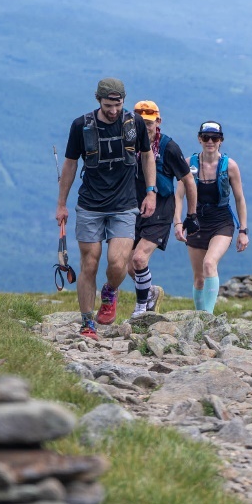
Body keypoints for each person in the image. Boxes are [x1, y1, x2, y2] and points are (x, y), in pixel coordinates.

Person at [56, 78, 156, 339]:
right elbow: (69, 164)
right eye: (108, 104)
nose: (113, 110)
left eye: (118, 104)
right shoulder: (81, 126)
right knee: (89, 263)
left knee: (117, 261)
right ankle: (88, 323)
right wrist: (61, 204)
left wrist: (150, 192)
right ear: (98, 100)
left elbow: (147, 156)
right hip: (90, 204)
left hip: (124, 204)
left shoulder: (134, 123)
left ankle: (110, 290)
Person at [127, 100, 198, 318]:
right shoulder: (128, 144)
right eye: (140, 122)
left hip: (161, 209)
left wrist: (190, 215)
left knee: (139, 259)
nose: (145, 127)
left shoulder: (169, 147)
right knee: (128, 265)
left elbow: (188, 181)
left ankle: (140, 310)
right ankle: (150, 292)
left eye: (149, 123)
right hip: (132, 208)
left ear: (158, 122)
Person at [183, 120, 248, 313]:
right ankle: (199, 316)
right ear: (199, 139)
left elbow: (239, 199)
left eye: (215, 138)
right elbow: (178, 195)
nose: (210, 141)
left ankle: (207, 316)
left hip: (222, 221)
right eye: (206, 138)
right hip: (196, 221)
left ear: (221, 140)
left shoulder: (230, 166)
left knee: (209, 263)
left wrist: (243, 230)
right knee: (199, 277)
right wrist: (178, 222)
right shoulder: (189, 164)